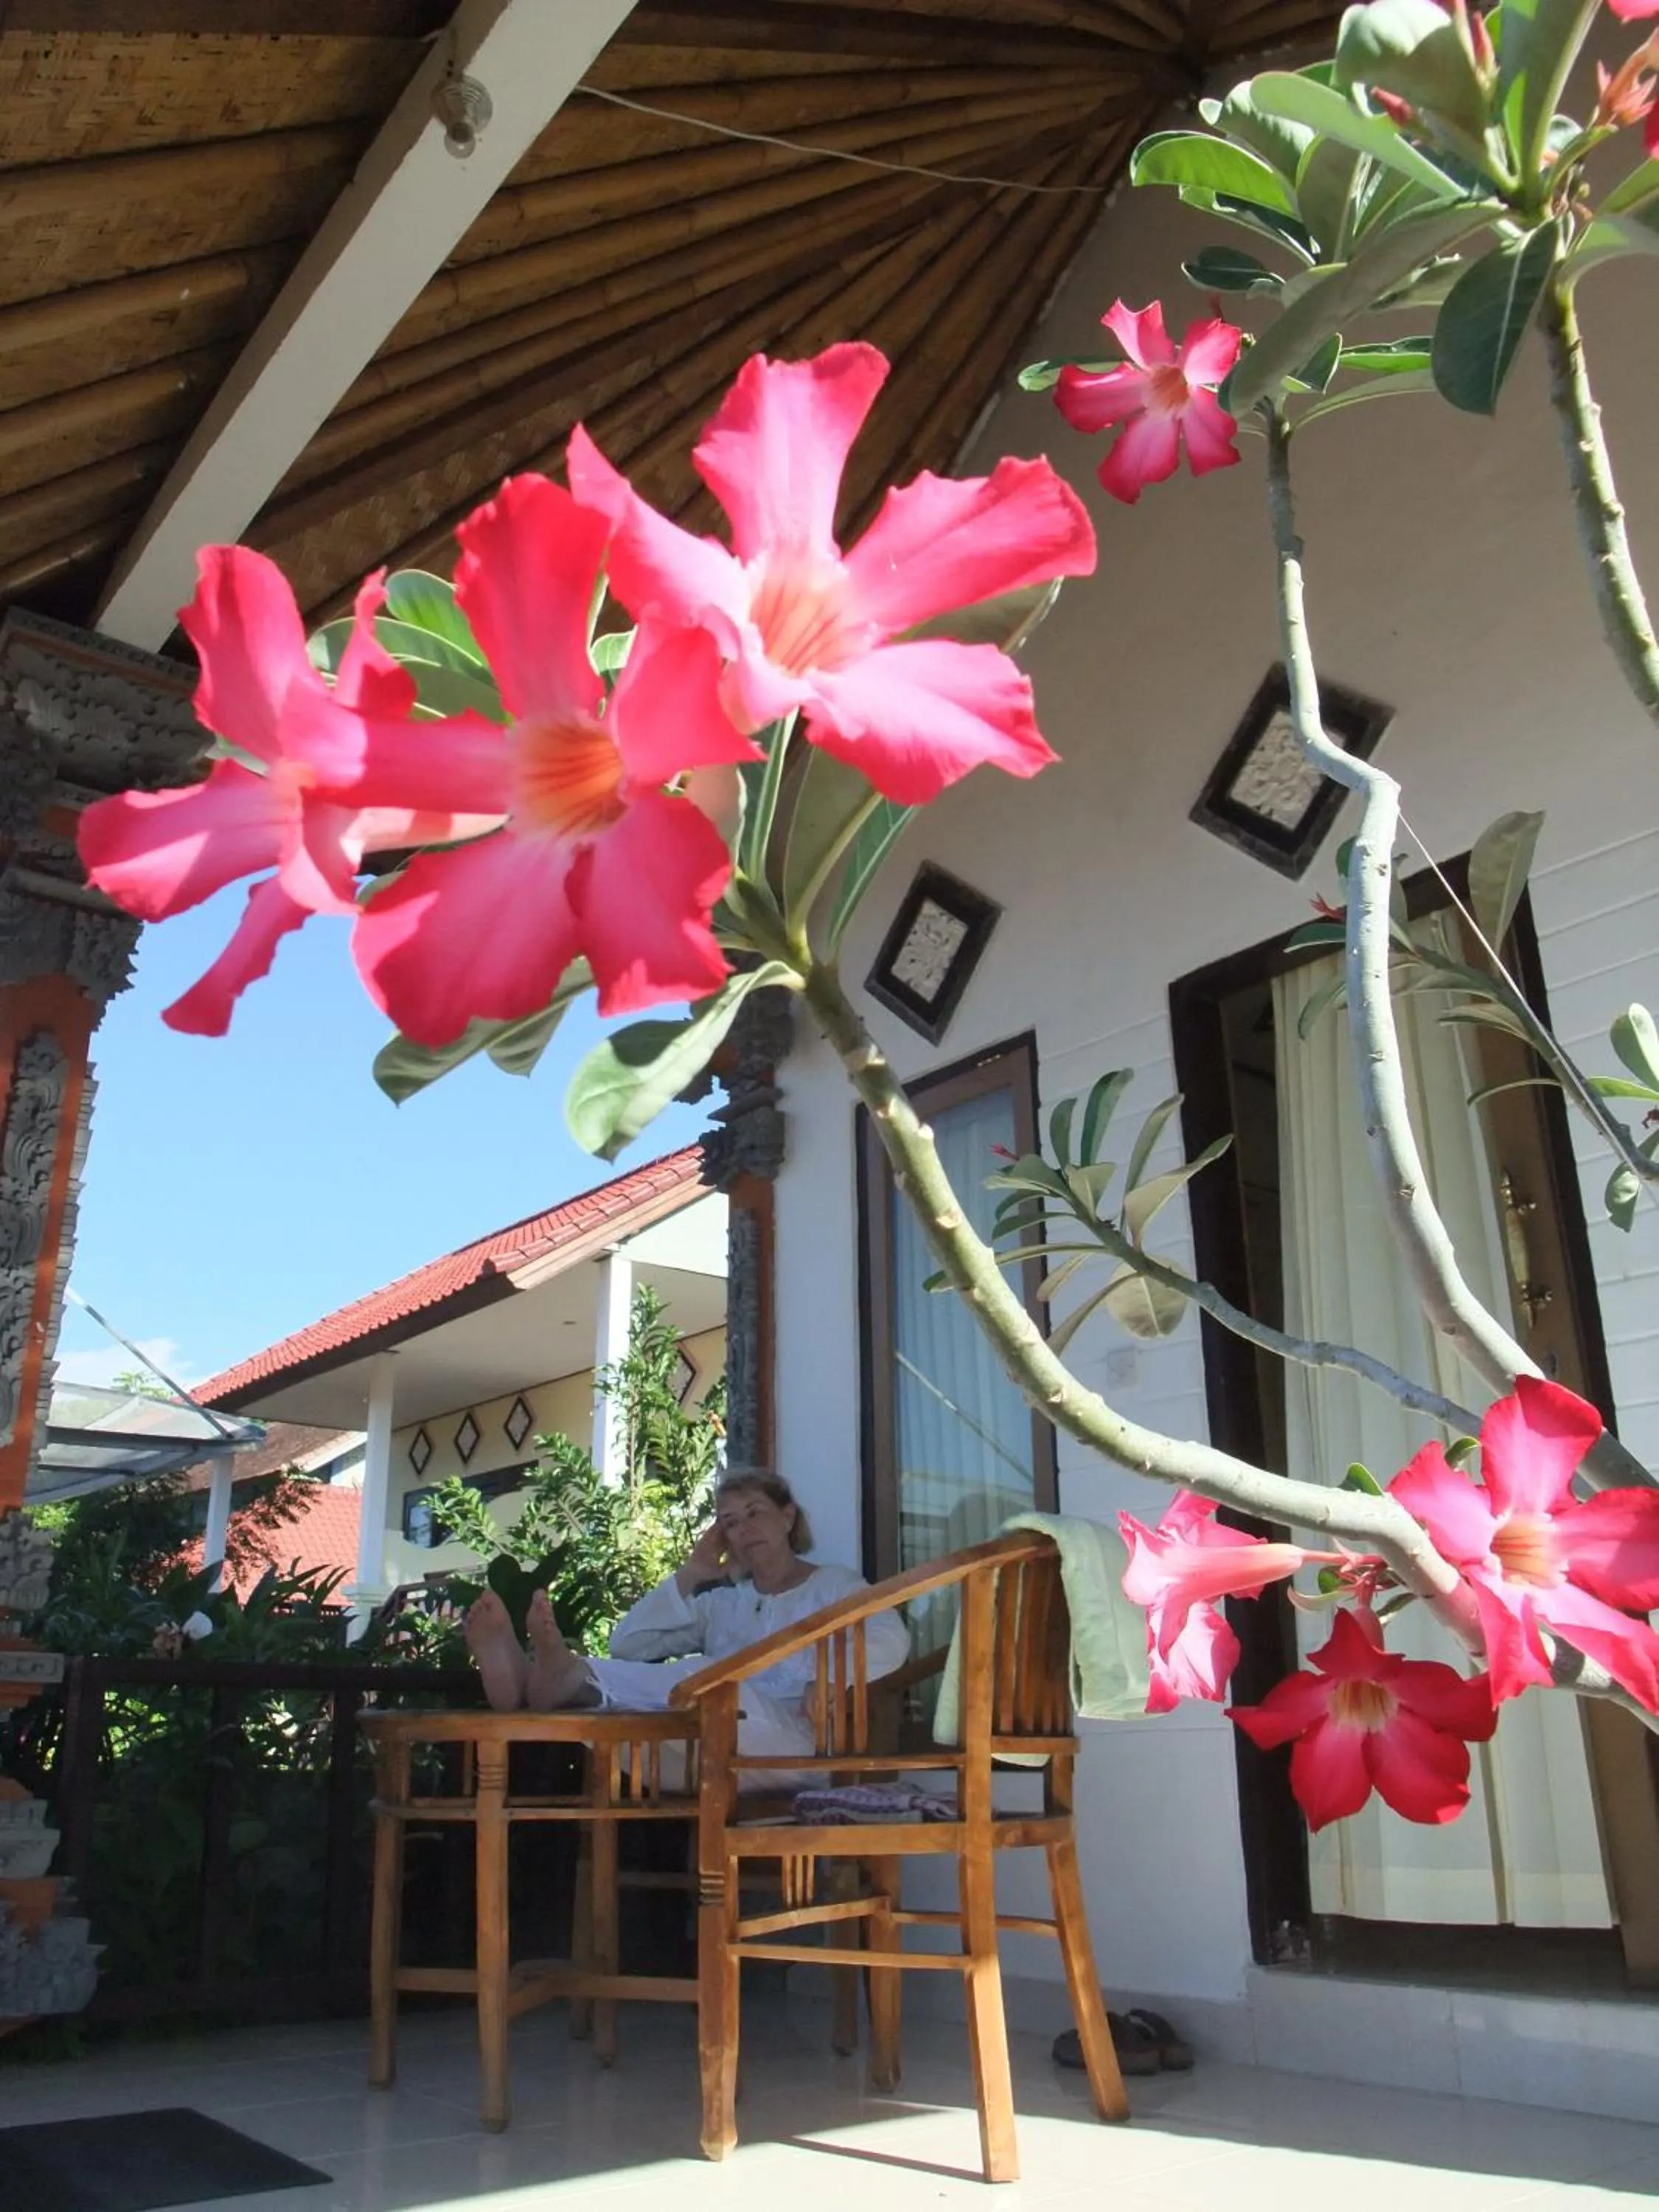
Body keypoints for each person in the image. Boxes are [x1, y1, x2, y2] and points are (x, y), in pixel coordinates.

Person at [463, 1469, 910, 1768]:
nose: (744, 1528)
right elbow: (629, 1644)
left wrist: (833, 1677)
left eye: (755, 1513)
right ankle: (542, 1681)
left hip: (795, 1748)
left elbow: (892, 1636)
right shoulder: (723, 1603)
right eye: (730, 1523)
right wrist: (693, 1572)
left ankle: (561, 1677)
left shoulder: (833, 1585)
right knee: (637, 1720)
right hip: (709, 1750)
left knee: (703, 1680)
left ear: (788, 1516)